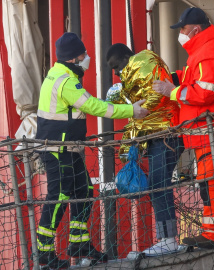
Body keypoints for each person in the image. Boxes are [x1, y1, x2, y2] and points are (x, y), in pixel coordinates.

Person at [34, 32, 149, 269]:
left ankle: (79, 243)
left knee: (84, 190)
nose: (87, 57)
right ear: (73, 58)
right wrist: (131, 111)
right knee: (59, 196)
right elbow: (94, 106)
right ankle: (44, 254)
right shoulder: (66, 82)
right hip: (59, 149)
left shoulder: (59, 75)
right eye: (84, 54)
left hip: (68, 147)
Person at [152, 7, 214, 249]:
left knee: (211, 180)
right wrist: (173, 79)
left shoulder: (209, 51)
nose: (181, 34)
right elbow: (191, 77)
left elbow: (203, 93)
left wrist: (171, 91)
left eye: (183, 29)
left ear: (195, 29)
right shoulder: (204, 49)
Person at [106, 44, 185, 256]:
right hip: (156, 136)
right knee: (157, 184)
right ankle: (166, 238)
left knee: (159, 184)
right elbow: (136, 113)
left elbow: (156, 99)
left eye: (116, 66)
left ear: (126, 57)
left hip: (166, 134)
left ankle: (168, 240)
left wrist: (142, 110)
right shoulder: (132, 79)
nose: (116, 72)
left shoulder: (145, 62)